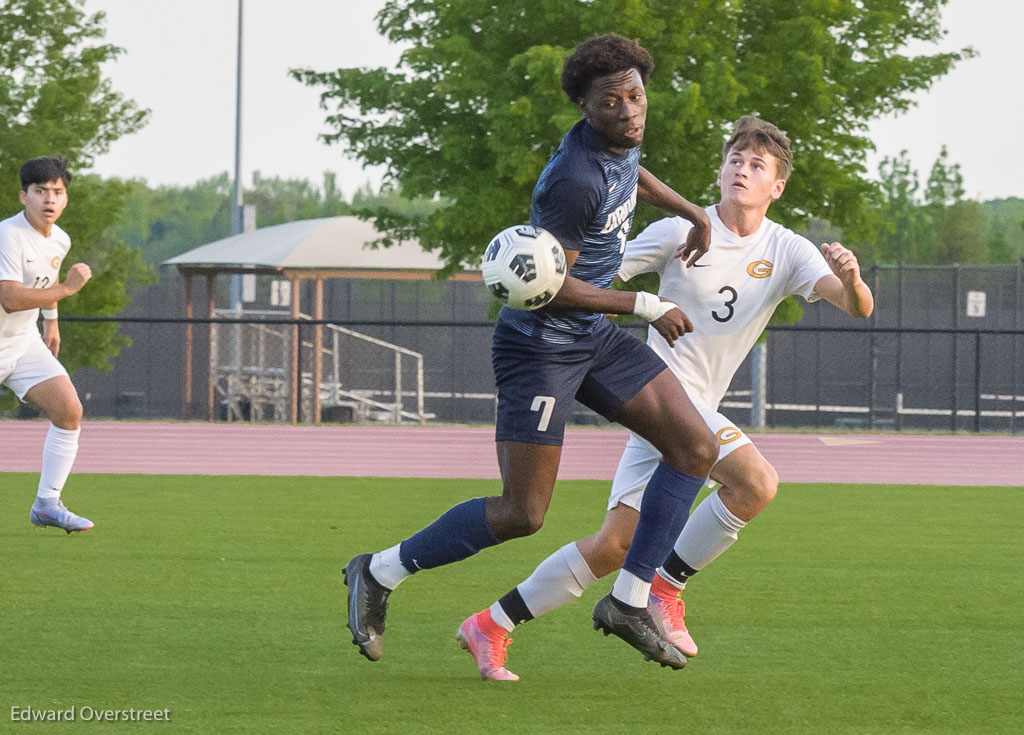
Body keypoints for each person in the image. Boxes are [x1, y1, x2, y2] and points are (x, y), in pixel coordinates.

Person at [342, 34, 721, 671]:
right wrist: (645, 305)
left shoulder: (618, 142)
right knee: (523, 514)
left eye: (636, 95)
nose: (629, 110)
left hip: (590, 337)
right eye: (611, 102)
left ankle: (628, 601)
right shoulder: (572, 180)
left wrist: (689, 211)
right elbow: (546, 291)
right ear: (583, 107)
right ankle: (377, 571)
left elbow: (631, 178)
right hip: (540, 346)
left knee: (695, 448)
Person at [454, 116, 875, 680]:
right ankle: (664, 587)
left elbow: (857, 307)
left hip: (689, 414)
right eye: (735, 160)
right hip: (660, 400)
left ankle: (490, 624)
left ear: (777, 186)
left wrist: (850, 278)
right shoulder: (681, 232)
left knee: (610, 547)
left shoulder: (787, 248)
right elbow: (591, 278)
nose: (741, 171)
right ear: (721, 170)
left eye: (757, 166)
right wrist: (566, 288)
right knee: (756, 481)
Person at [0, 155, 94, 533]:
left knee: (69, 410)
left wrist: (52, 321)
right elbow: (9, 297)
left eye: (57, 191)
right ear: (24, 196)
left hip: (21, 343)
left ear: (66, 198)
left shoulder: (60, 239)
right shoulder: (8, 234)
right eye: (40, 191)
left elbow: (44, 283)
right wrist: (69, 289)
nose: (49, 199)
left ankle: (47, 504)